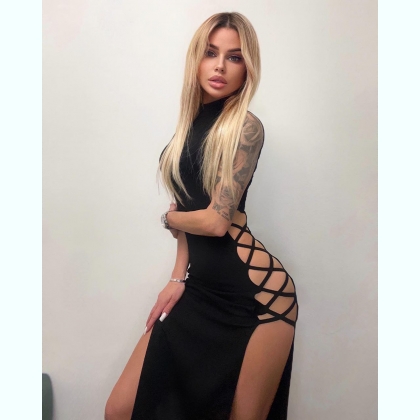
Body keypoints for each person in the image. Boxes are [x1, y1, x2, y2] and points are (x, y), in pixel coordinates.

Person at [105, 11, 299, 420]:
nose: (220, 66)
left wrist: (170, 220)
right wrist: (178, 278)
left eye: (234, 57)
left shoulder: (244, 127)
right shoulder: (186, 130)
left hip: (259, 298)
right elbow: (188, 205)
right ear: (196, 59)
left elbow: (213, 222)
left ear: (248, 68)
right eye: (211, 53)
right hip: (201, 288)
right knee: (120, 410)